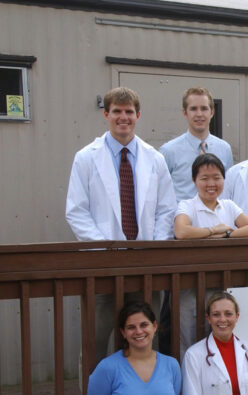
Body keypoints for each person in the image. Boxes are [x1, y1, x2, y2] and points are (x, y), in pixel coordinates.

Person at [66, 86, 176, 361]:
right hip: (103, 264)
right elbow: (76, 211)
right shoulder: (86, 158)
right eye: (117, 111)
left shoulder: (155, 159)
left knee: (145, 339)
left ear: (138, 115)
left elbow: (166, 210)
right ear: (106, 114)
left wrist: (154, 247)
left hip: (145, 263)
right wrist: (107, 248)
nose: (123, 117)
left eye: (129, 112)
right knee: (97, 338)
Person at [174, 154, 248, 357]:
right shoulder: (187, 205)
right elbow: (182, 232)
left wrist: (227, 234)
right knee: (188, 341)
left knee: (224, 341)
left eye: (217, 177)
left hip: (223, 286)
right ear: (194, 181)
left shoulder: (228, 205)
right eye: (204, 178)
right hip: (190, 286)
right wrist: (213, 230)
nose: (211, 184)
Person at [160, 87, 234, 202]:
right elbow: (160, 192)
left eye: (204, 108)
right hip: (182, 218)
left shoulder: (224, 149)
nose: (199, 114)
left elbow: (228, 189)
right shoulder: (169, 151)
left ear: (212, 112)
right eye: (193, 109)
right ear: (185, 113)